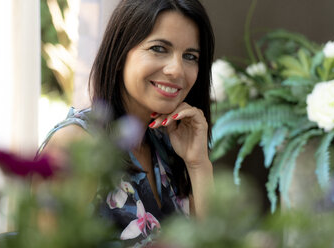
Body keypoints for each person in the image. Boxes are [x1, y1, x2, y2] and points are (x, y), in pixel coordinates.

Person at [39, 0, 215, 246]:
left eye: (190, 56)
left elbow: (215, 240)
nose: (177, 70)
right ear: (121, 51)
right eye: (159, 48)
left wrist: (198, 164)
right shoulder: (76, 145)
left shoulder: (167, 145)